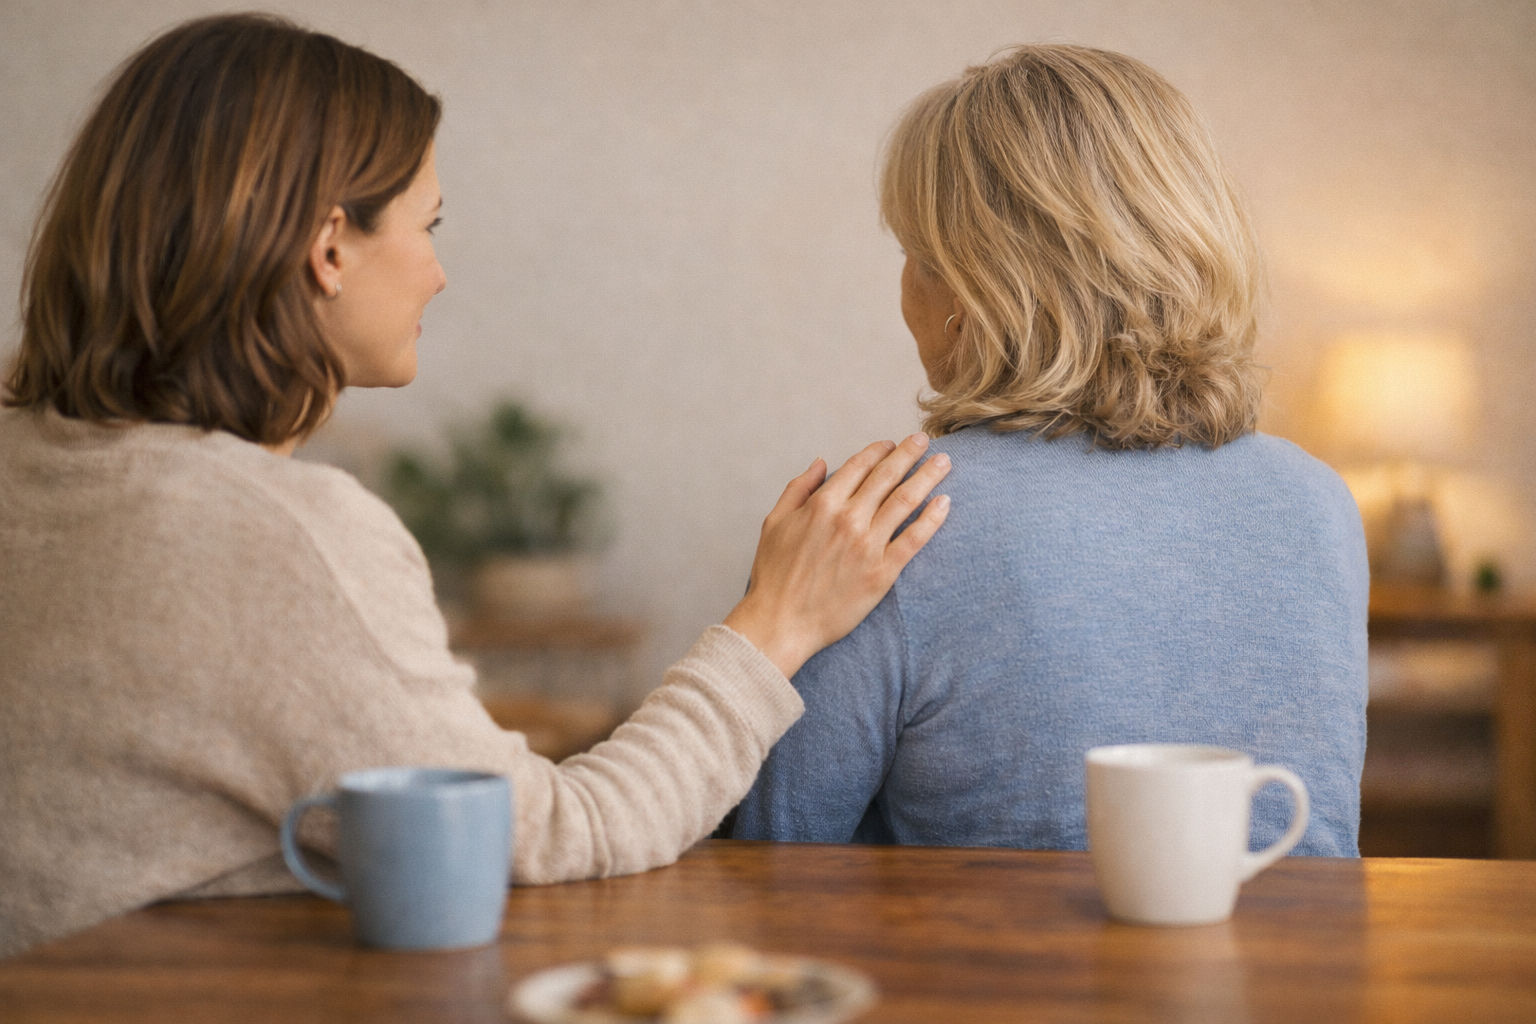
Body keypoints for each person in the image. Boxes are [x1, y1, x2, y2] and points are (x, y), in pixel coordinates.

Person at [0, 13, 951, 958]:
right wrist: (774, 624)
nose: (440, 273)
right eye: (430, 224)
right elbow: (554, 836)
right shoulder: (270, 538)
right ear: (329, 248)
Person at [731, 45, 1368, 856]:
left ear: (969, 291)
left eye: (914, 258)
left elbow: (770, 860)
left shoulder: (885, 525)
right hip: (1302, 982)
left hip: (1001, 981)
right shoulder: (1320, 503)